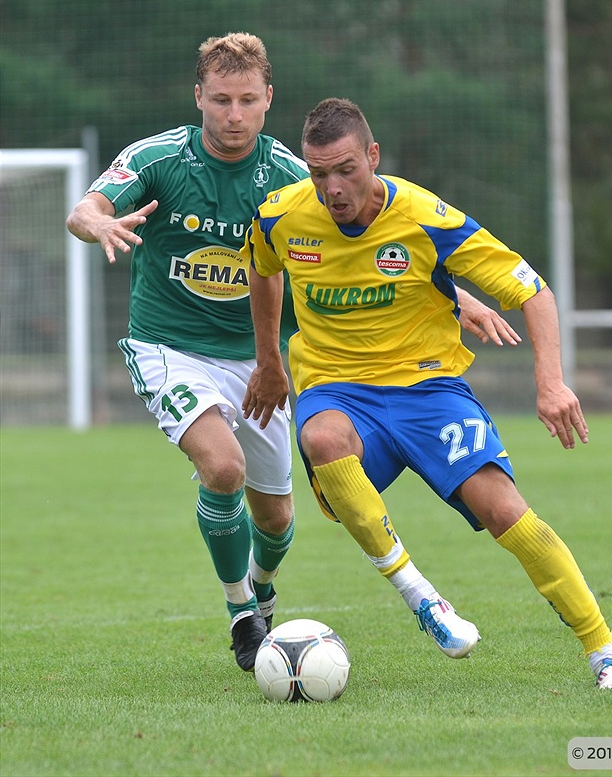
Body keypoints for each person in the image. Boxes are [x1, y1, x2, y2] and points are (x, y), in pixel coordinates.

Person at [66, 37, 517, 673]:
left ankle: (264, 593)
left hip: (265, 363)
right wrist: (98, 222)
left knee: (276, 519)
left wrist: (458, 297)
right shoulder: (159, 159)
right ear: (199, 97)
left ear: (268, 100)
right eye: (220, 99)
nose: (233, 114)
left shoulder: (290, 174)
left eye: (247, 100)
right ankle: (241, 613)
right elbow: (86, 208)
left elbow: (381, 238)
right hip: (171, 347)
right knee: (220, 469)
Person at [242, 97, 612, 689]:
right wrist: (270, 361)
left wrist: (550, 382)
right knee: (323, 438)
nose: (332, 188)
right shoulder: (280, 216)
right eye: (318, 172)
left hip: (429, 390)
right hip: (339, 389)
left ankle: (605, 652)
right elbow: (261, 265)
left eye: (346, 169)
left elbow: (533, 290)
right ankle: (423, 598)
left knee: (507, 512)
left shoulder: (425, 217)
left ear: (373, 157)